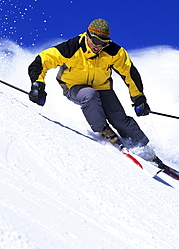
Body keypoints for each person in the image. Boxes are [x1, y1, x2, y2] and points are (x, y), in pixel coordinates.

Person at [28, 18, 153, 156]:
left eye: (104, 43)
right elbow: (40, 62)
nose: (99, 46)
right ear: (88, 36)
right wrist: (37, 85)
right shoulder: (72, 48)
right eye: (96, 41)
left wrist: (139, 98)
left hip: (102, 86)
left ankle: (142, 147)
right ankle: (103, 129)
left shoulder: (114, 52)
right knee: (90, 95)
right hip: (73, 86)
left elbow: (130, 73)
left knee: (119, 119)